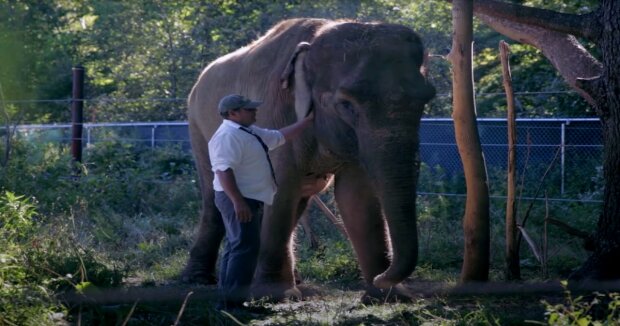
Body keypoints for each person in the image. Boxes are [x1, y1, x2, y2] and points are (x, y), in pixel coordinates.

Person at [209, 94, 313, 310]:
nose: (254, 112)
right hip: (237, 198)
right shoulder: (227, 136)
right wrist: (238, 202)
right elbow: (223, 171)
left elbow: (278, 137)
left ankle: (228, 301)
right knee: (245, 248)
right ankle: (233, 305)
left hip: (246, 198)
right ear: (232, 113)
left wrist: (307, 121)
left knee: (237, 247)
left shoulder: (248, 131)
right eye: (249, 109)